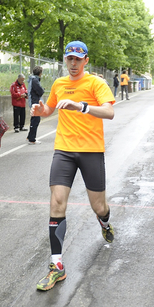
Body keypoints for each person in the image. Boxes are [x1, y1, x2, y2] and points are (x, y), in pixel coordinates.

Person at [31, 41, 115, 291]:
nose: (74, 63)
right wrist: (41, 110)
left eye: (78, 59)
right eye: (70, 59)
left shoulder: (95, 83)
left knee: (98, 206)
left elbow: (109, 112)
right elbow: (50, 109)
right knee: (57, 202)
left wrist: (83, 106)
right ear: (65, 60)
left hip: (91, 151)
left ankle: (104, 221)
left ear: (86, 60)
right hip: (64, 150)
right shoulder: (59, 84)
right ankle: (56, 265)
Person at [26, 66, 44, 145]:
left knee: (34, 119)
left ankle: (30, 136)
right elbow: (40, 91)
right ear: (40, 73)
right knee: (35, 120)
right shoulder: (35, 80)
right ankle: (32, 139)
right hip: (35, 102)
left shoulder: (32, 79)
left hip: (33, 101)